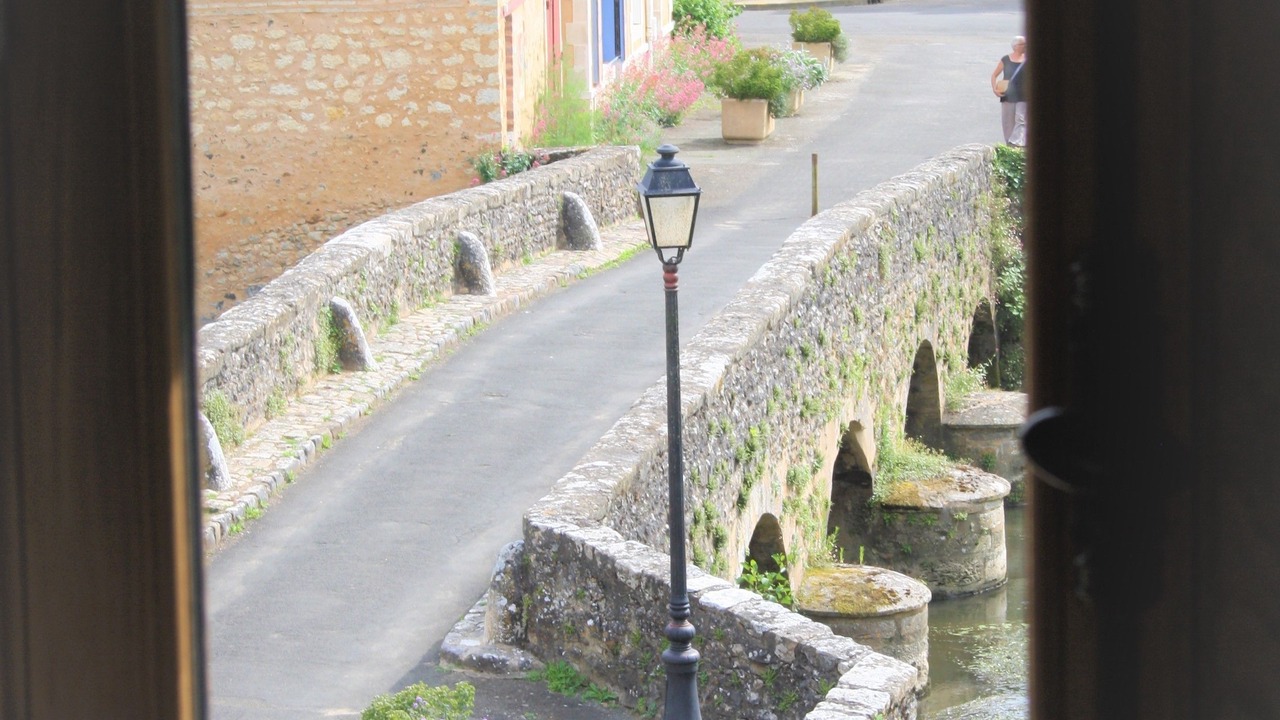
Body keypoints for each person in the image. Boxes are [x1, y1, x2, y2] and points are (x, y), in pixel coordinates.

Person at [991, 36, 1027, 147]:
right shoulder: (1005, 59)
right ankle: (1009, 143)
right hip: (1008, 94)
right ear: (1015, 46)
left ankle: (1017, 142)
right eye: (1023, 44)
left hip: (1023, 94)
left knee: (1021, 119)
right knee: (1008, 120)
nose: (1025, 46)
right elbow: (994, 75)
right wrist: (995, 89)